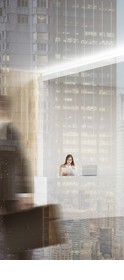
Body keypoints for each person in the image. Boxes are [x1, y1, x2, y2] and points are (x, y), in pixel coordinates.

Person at [0, 95, 33, 259]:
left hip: (11, 193)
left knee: (20, 243)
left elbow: (22, 163)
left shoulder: (12, 132)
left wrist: (24, 194)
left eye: (2, 108)